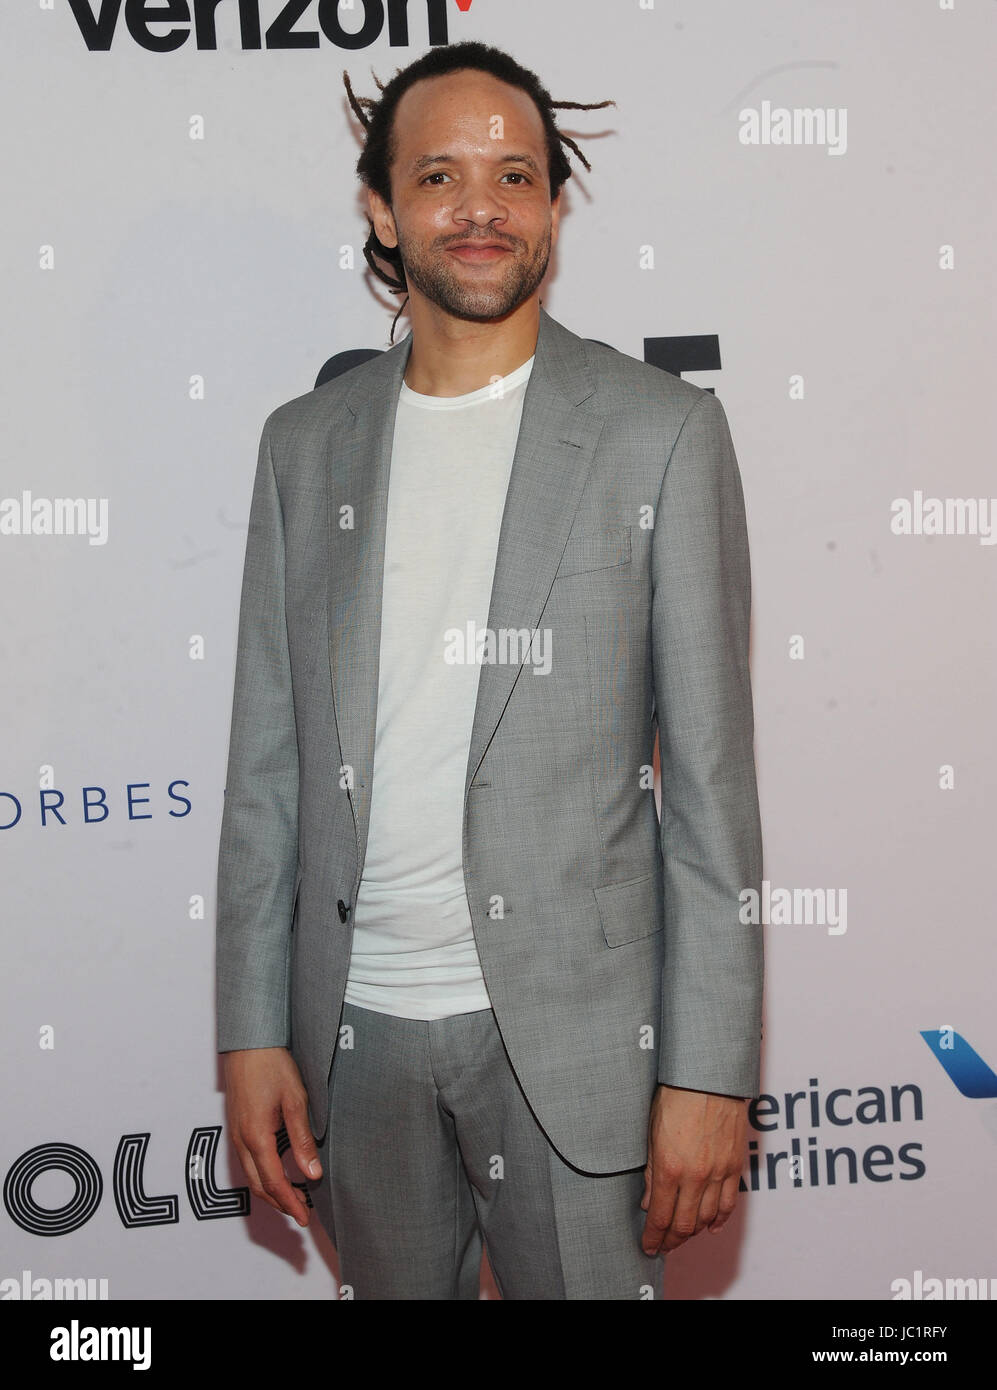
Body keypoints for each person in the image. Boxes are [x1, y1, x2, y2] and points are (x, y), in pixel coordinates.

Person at [216, 39, 764, 1301]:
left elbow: (713, 789)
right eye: (441, 176)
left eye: (516, 177)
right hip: (354, 1041)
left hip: (582, 1042)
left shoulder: (659, 431)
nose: (480, 208)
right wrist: (250, 1028)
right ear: (382, 205)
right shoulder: (304, 448)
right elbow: (267, 762)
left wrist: (708, 1069)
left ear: (552, 211)